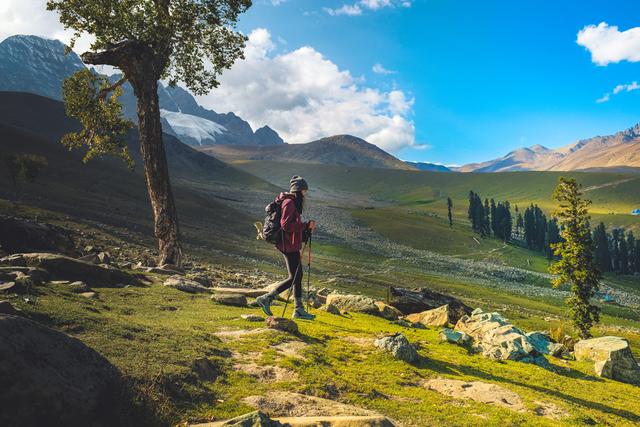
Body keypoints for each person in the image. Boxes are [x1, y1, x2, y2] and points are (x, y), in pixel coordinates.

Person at [256, 176, 316, 320]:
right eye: (304, 191)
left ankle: (298, 309)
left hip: (289, 244)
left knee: (297, 275)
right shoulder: (289, 203)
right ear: (298, 190)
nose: (305, 194)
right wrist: (305, 226)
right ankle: (267, 298)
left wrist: (305, 230)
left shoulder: (291, 202)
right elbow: (286, 225)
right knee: (294, 276)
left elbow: (291, 226)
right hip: (287, 245)